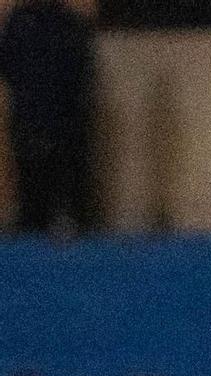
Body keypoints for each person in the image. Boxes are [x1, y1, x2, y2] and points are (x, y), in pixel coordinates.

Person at [0, 0, 96, 235]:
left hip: (45, 119)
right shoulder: (62, 22)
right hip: (47, 119)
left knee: (44, 193)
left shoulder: (60, 23)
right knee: (42, 190)